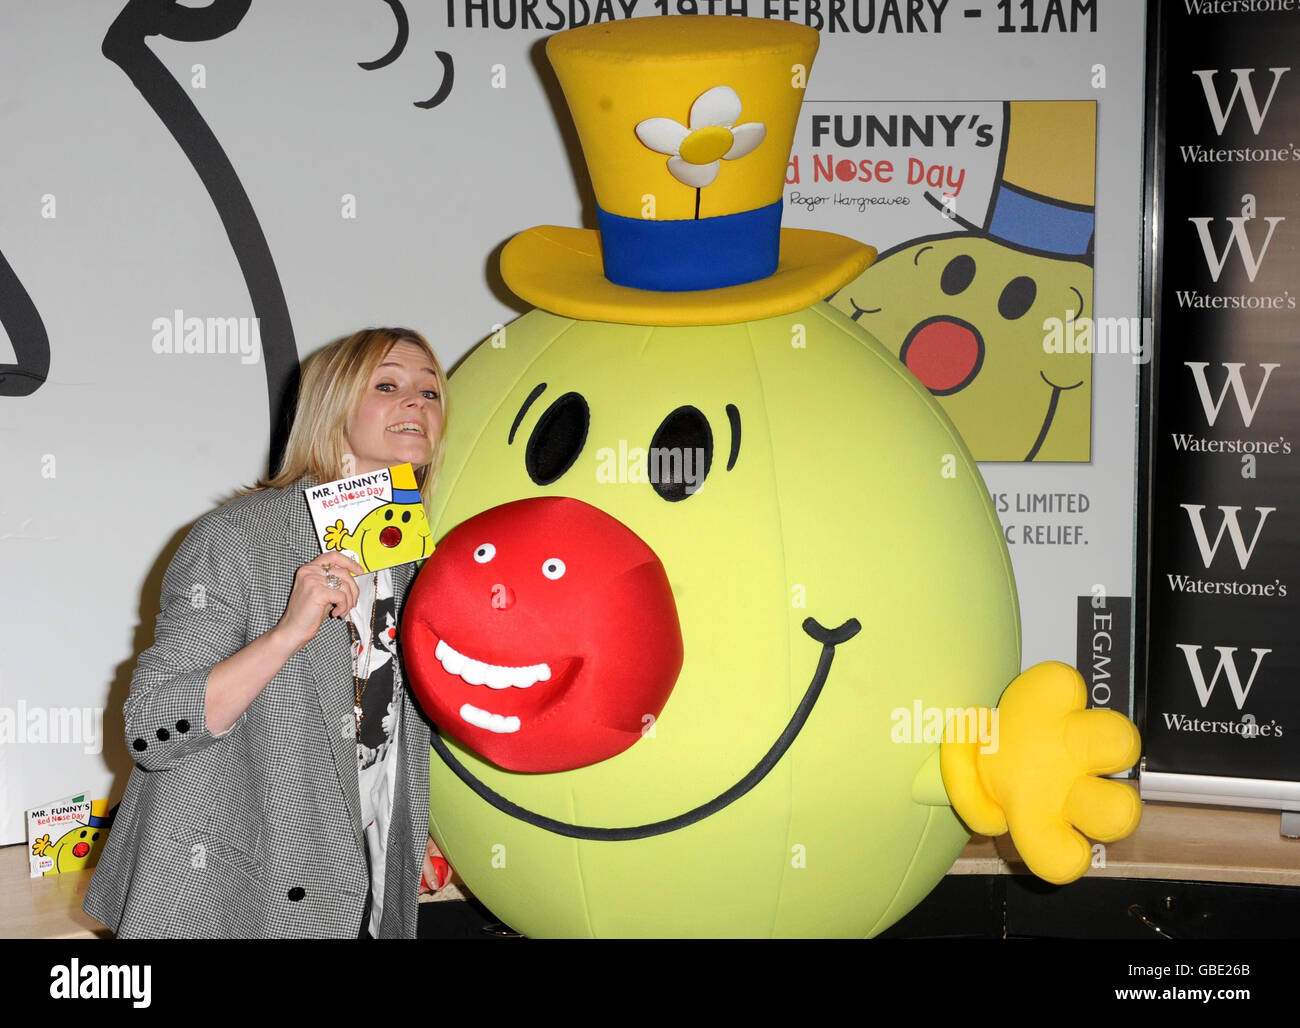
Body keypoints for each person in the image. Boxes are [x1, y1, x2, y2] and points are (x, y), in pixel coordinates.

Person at [84, 327, 451, 938]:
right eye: (388, 385)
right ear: (332, 407)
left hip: (354, 884)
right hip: (226, 894)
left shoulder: (418, 558)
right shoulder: (238, 536)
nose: (417, 403)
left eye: (431, 393)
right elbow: (151, 727)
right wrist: (285, 634)